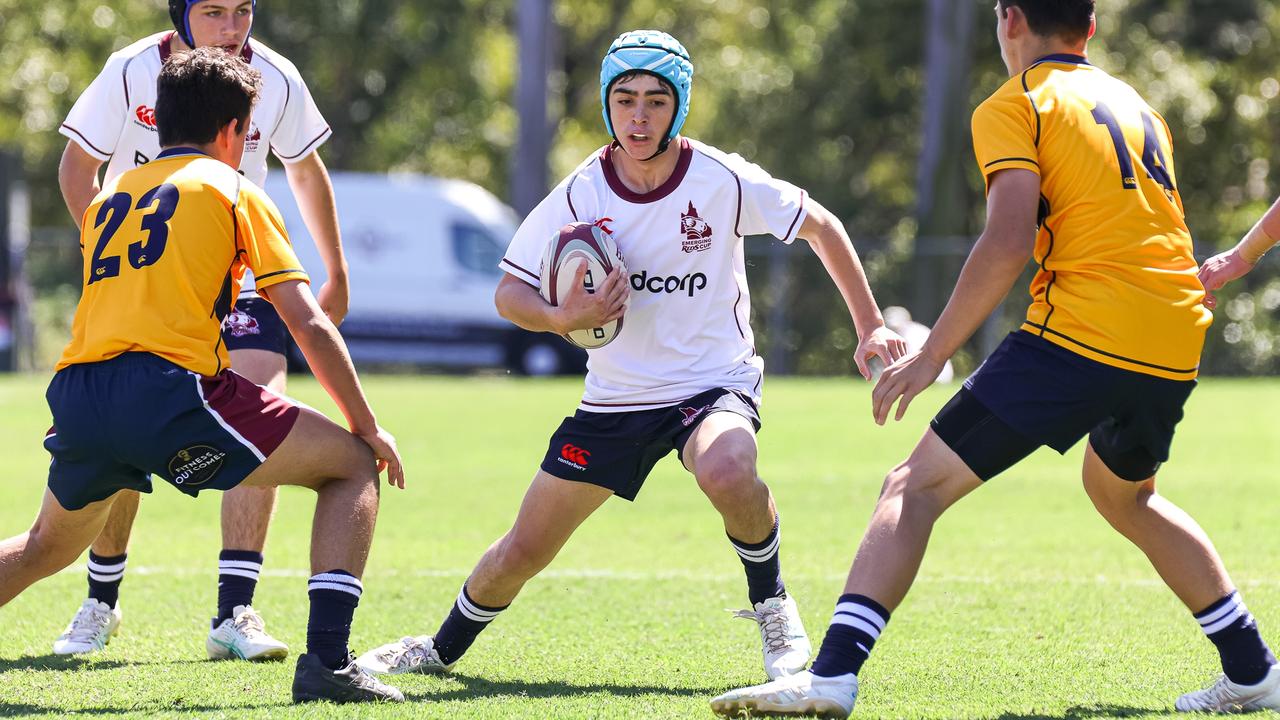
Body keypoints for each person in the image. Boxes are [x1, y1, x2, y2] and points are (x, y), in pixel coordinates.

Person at [710, 1, 1280, 716]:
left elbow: (1008, 242)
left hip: (1084, 331)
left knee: (912, 488)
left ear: (1009, 19)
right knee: (1125, 494)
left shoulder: (1017, 103)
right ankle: (1253, 667)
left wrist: (930, 356)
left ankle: (829, 676)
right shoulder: (1137, 104)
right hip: (1174, 331)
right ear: (1091, 28)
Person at [354, 30, 905, 682]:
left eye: (654, 101)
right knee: (524, 548)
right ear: (607, 105)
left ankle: (772, 601)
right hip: (616, 397)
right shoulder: (582, 192)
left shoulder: (721, 179)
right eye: (624, 100)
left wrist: (869, 326)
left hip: (711, 380)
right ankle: (439, 649)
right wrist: (564, 318)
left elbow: (820, 225)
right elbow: (509, 291)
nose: (638, 117)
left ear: (680, 106)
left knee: (728, 467)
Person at [2, 47, 402, 704]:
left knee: (47, 546)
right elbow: (306, 322)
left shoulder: (112, 198)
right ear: (234, 132)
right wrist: (369, 426)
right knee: (352, 465)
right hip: (168, 392)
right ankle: (328, 664)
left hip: (79, 395)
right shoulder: (234, 186)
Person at [54, 0, 347, 661]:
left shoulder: (276, 76)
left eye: (242, 10)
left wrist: (338, 267)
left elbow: (304, 168)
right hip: (149, 281)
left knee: (263, 410)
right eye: (212, 12)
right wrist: (112, 260)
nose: (231, 26)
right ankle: (100, 602)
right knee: (126, 426)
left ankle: (235, 612)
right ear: (180, 16)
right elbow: (78, 170)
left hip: (241, 281)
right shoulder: (130, 69)